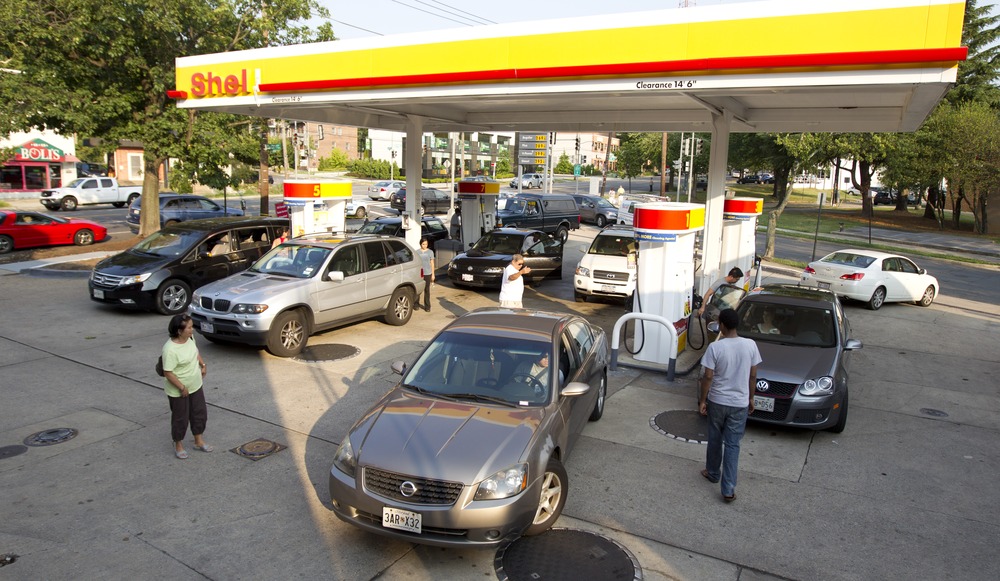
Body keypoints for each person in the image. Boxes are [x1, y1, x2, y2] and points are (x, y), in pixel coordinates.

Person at [698, 308, 761, 502]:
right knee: (733, 445)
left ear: (722, 326)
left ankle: (713, 473)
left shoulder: (716, 348)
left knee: (715, 439)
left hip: (718, 401)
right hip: (739, 403)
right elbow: (753, 376)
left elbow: (708, 377)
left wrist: (703, 400)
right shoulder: (750, 345)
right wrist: (751, 398)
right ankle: (728, 489)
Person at [162, 314, 212, 459]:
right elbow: (168, 372)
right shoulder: (170, 349)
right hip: (179, 390)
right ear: (179, 330)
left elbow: (195, 352)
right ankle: (178, 444)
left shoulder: (189, 338)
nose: (192, 330)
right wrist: (182, 388)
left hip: (196, 385)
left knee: (199, 413)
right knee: (180, 418)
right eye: (189, 327)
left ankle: (198, 440)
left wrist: (203, 365)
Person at [417, 237, 435, 312]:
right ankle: (416, 304)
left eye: (426, 244)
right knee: (418, 289)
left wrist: (433, 274)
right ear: (420, 244)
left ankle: (427, 306)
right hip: (420, 273)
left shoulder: (430, 252)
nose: (425, 246)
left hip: (428, 273)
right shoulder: (417, 252)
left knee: (427, 289)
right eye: (423, 244)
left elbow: (432, 263)